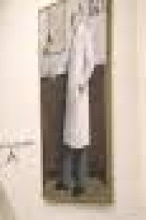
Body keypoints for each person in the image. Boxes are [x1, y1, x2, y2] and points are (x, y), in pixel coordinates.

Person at [57, 6, 95, 197]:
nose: (73, 20)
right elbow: (68, 62)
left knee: (79, 139)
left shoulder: (85, 34)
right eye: (72, 17)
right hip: (70, 94)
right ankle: (66, 181)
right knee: (68, 138)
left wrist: (82, 82)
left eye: (75, 17)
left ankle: (81, 184)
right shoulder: (72, 37)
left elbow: (91, 62)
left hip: (79, 93)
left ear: (80, 17)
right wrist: (56, 72)